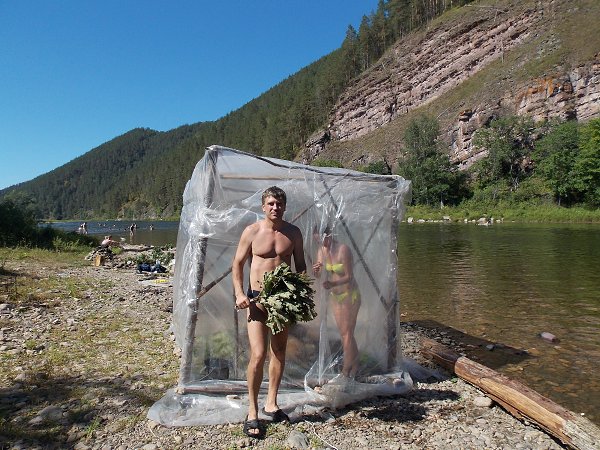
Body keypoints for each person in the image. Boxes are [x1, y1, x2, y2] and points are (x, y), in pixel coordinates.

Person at [232, 186, 306, 438]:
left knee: (279, 351)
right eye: (271, 203)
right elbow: (237, 263)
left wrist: (300, 293)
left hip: (282, 301)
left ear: (284, 207)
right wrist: (240, 294)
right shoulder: (252, 231)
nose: (276, 207)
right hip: (256, 300)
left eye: (279, 204)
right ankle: (252, 411)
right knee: (258, 354)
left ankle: (271, 403)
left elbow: (300, 266)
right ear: (263, 207)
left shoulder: (293, 233)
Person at [313, 226, 361, 382]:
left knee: (347, 333)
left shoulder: (343, 249)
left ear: (329, 235)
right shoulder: (322, 251)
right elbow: (319, 275)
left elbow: (349, 276)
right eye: (318, 240)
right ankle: (355, 365)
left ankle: (346, 370)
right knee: (345, 333)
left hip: (349, 294)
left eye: (323, 239)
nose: (321, 243)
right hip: (335, 295)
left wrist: (333, 284)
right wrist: (316, 271)